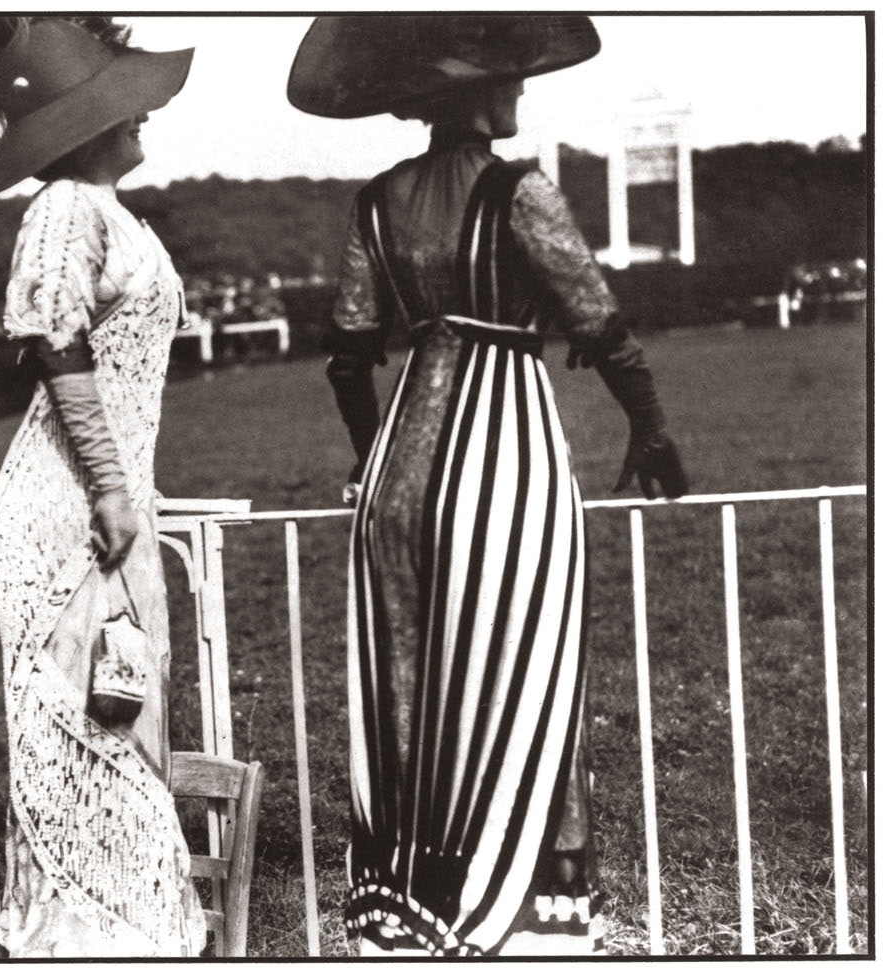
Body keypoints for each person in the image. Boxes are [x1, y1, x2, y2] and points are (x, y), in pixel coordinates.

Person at [288, 15, 688, 957]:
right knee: (525, 666)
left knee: (410, 681)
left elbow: (347, 359)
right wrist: (652, 424)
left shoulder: (376, 202)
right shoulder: (518, 190)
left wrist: (367, 455)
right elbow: (598, 317)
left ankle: (410, 898)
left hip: (395, 476)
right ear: (469, 92)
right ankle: (522, 912)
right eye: (506, 78)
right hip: (505, 461)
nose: (518, 92)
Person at [0, 17, 205, 956]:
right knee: (83, 712)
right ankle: (78, 940)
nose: (143, 118)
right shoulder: (67, 209)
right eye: (126, 106)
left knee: (121, 701)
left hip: (111, 494)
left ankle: (127, 927)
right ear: (91, 123)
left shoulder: (113, 213)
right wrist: (115, 490)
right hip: (69, 500)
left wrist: (129, 493)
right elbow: (55, 343)